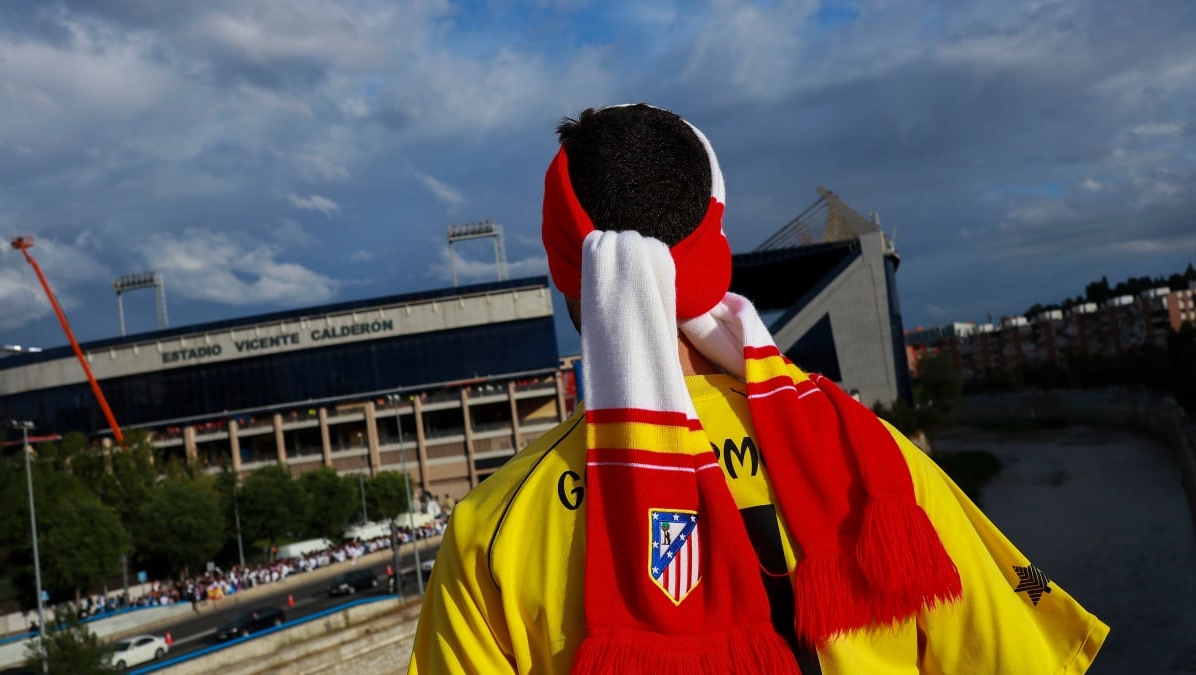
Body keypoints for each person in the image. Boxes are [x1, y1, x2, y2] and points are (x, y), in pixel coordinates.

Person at [409, 103, 1108, 674]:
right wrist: (1038, 586)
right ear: (712, 244)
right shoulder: (870, 453)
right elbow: (1020, 611)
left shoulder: (490, 534)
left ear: (574, 277)